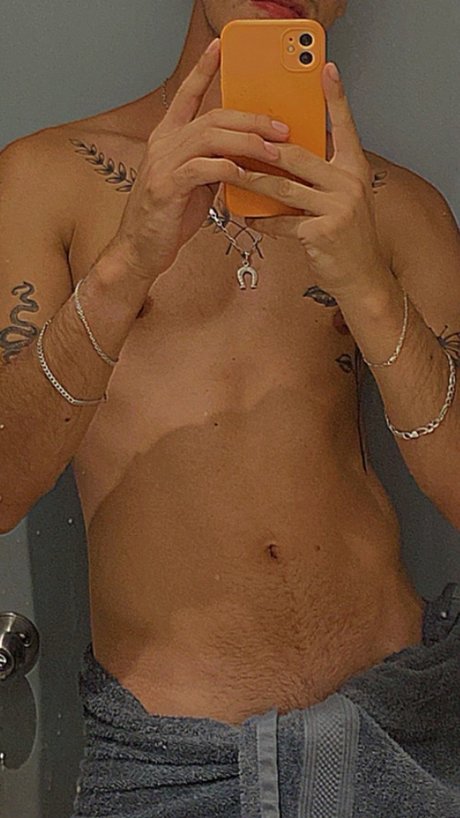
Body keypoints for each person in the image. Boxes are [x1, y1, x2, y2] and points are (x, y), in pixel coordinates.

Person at [0, 1, 459, 815]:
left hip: (400, 724)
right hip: (171, 764)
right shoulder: (48, 177)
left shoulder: (393, 205)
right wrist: (129, 261)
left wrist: (366, 284)